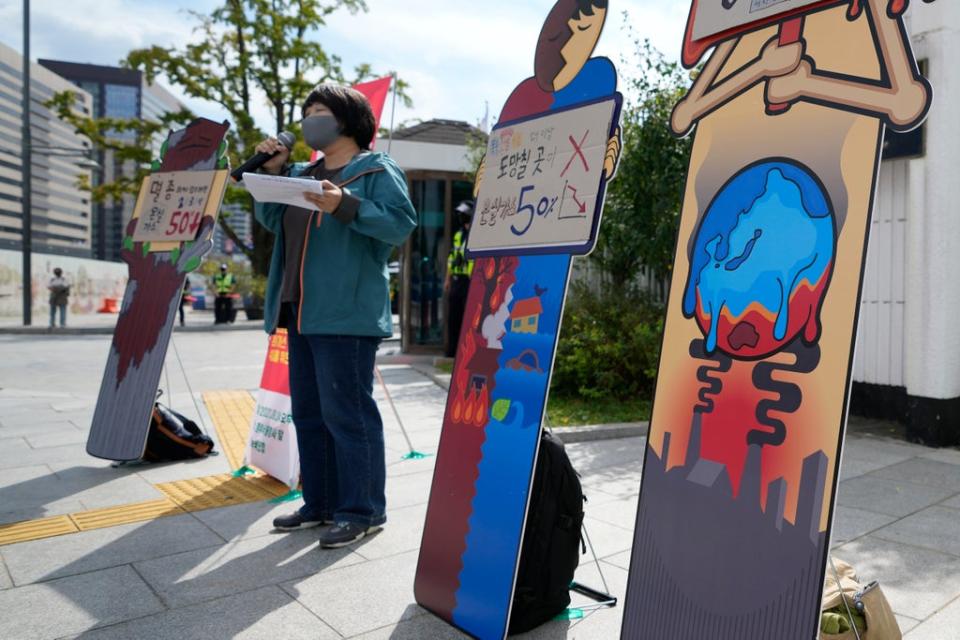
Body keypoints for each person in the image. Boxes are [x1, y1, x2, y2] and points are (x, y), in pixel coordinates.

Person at [254, 84, 417, 548]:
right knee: (308, 413)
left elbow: (399, 224)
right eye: (306, 113)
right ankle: (320, 503)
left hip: (345, 314)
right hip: (298, 310)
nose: (309, 120)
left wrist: (343, 204)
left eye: (320, 111)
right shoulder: (302, 172)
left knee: (348, 414)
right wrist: (270, 174)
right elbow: (274, 222)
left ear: (347, 119)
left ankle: (362, 510)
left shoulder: (374, 170)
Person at [444, 200, 475, 357]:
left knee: (467, 318)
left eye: (464, 215)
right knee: (453, 317)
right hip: (457, 281)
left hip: (470, 282)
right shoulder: (458, 235)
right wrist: (447, 279)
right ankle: (452, 351)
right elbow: (451, 258)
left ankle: (465, 351)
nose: (462, 217)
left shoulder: (476, 234)